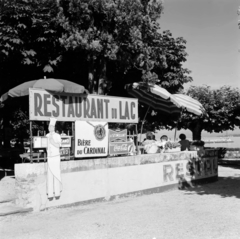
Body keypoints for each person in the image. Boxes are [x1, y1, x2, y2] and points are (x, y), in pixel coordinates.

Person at [46, 118, 62, 199]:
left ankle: (57, 193)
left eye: (51, 126)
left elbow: (58, 146)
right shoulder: (47, 136)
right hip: (49, 157)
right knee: (50, 175)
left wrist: (52, 142)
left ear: (54, 127)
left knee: (56, 175)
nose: (50, 128)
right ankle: (50, 193)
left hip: (56, 157)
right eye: (49, 126)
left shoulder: (57, 136)